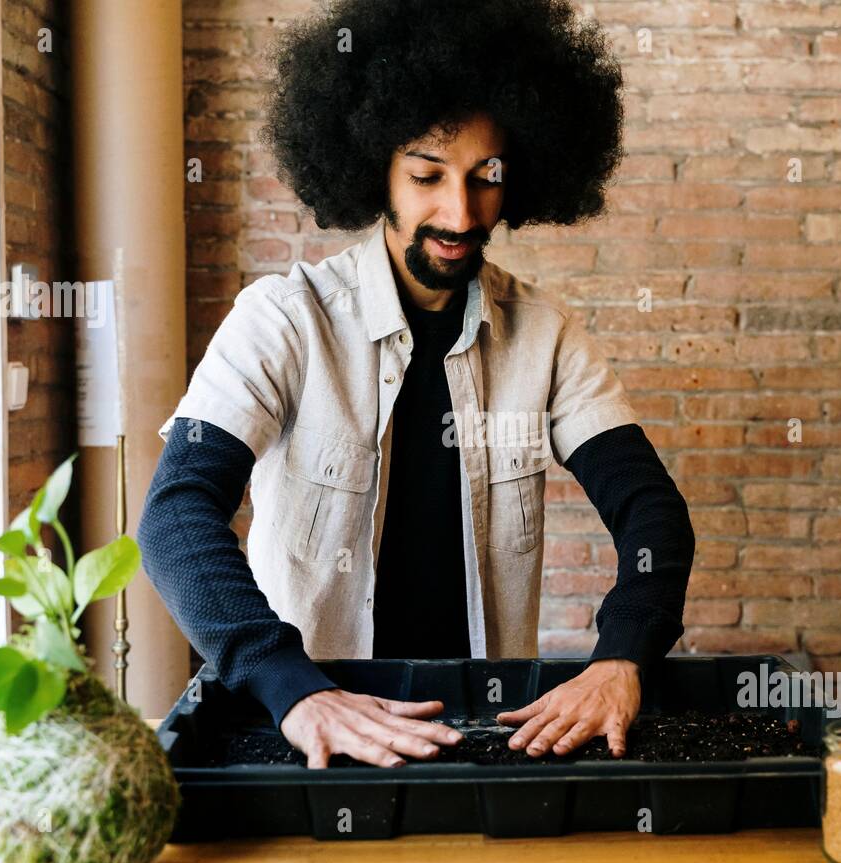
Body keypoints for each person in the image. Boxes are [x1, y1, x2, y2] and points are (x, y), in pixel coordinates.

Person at [138, 0, 695, 768]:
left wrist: (621, 658)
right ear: (376, 170)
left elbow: (651, 513)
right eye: (428, 175)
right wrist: (290, 685)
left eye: (485, 178)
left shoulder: (546, 336)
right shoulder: (283, 321)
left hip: (483, 738)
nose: (460, 211)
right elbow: (177, 515)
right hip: (307, 733)